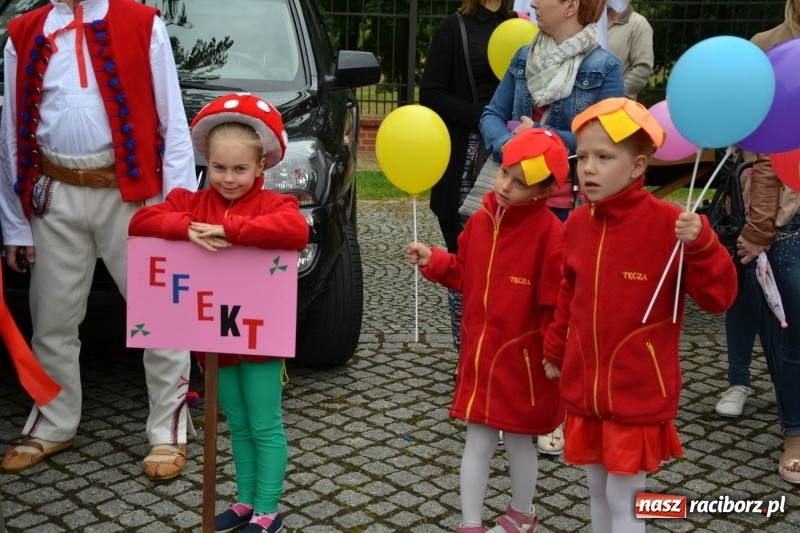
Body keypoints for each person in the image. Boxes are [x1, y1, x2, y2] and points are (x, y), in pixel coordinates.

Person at [0, 0, 196, 479]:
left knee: (161, 317)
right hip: (54, 193)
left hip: (131, 195)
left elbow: (173, 126)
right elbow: (9, 134)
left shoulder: (143, 23)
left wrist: (177, 211)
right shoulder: (22, 32)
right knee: (52, 319)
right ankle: (53, 422)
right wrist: (15, 223)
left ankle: (168, 429)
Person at [542, 98, 737, 533]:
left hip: (637, 389)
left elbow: (719, 298)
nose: (588, 168)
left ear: (637, 167)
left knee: (624, 494)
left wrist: (703, 244)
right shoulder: (574, 225)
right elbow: (566, 296)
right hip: (585, 384)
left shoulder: (671, 223)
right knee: (595, 487)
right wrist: (555, 348)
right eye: (583, 157)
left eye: (604, 157)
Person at [129, 93, 309, 533]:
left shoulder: (274, 205)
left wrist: (234, 230)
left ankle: (269, 509)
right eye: (218, 168)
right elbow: (140, 224)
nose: (228, 179)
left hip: (259, 338)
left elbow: (296, 230)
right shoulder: (190, 202)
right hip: (215, 338)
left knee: (264, 424)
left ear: (262, 165)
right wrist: (185, 228)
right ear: (205, 162)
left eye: (240, 169)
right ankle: (246, 501)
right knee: (236, 423)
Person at [479, 0, 625, 455]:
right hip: (521, 202)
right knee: (519, 306)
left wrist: (542, 141)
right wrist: (512, 148)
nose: (532, 3)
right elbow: (489, 114)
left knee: (564, 308)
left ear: (570, 5)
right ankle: (515, 403)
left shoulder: (604, 67)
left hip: (570, 206)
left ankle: (557, 412)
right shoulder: (524, 57)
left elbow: (608, 138)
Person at [408, 128, 568, 533]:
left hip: (523, 363)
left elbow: (556, 300)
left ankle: (522, 512)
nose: (506, 186)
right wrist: (435, 260)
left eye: (519, 182)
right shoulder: (479, 222)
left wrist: (554, 351)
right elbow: (464, 274)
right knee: (476, 440)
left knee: (518, 442)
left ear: (543, 191)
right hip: (480, 356)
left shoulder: (551, 234)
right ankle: (471, 522)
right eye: (504, 174)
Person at [420, 0, 518, 355]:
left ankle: (503, 351)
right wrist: (486, 118)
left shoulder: (524, 28)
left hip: (515, 158)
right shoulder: (453, 28)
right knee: (464, 256)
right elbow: (431, 94)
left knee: (511, 258)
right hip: (467, 158)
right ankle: (469, 352)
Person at [735, 0, 800, 484]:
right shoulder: (770, 48)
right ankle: (795, 435)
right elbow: (764, 151)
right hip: (790, 220)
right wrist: (760, 228)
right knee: (793, 337)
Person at [606, 0, 654, 100]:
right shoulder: (598, 22)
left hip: (617, 107)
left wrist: (617, 95)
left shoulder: (639, 24)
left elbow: (643, 68)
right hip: (592, 105)